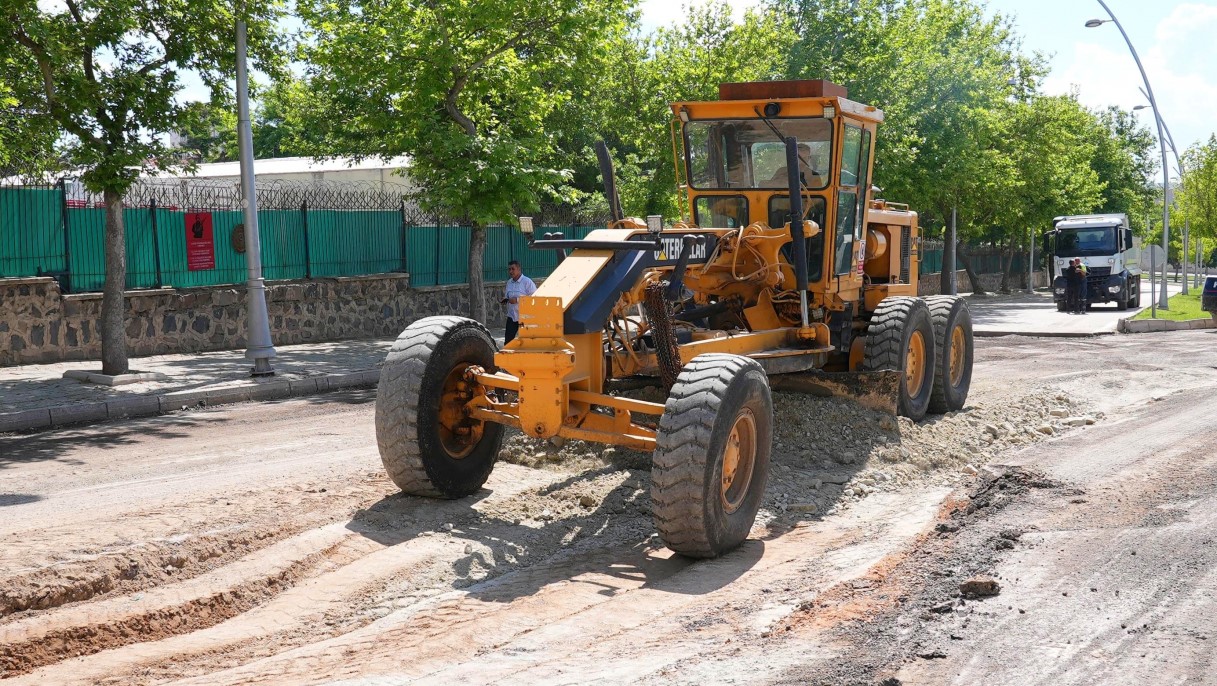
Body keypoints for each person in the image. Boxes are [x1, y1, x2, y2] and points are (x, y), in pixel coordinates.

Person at [502, 260, 536, 345]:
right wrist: (506, 300)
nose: (510, 271)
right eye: (509, 269)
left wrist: (517, 300)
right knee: (508, 342)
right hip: (512, 316)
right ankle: (507, 358)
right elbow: (508, 296)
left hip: (524, 318)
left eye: (513, 269)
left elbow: (534, 298)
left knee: (526, 342)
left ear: (518, 269)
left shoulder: (527, 282)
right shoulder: (509, 282)